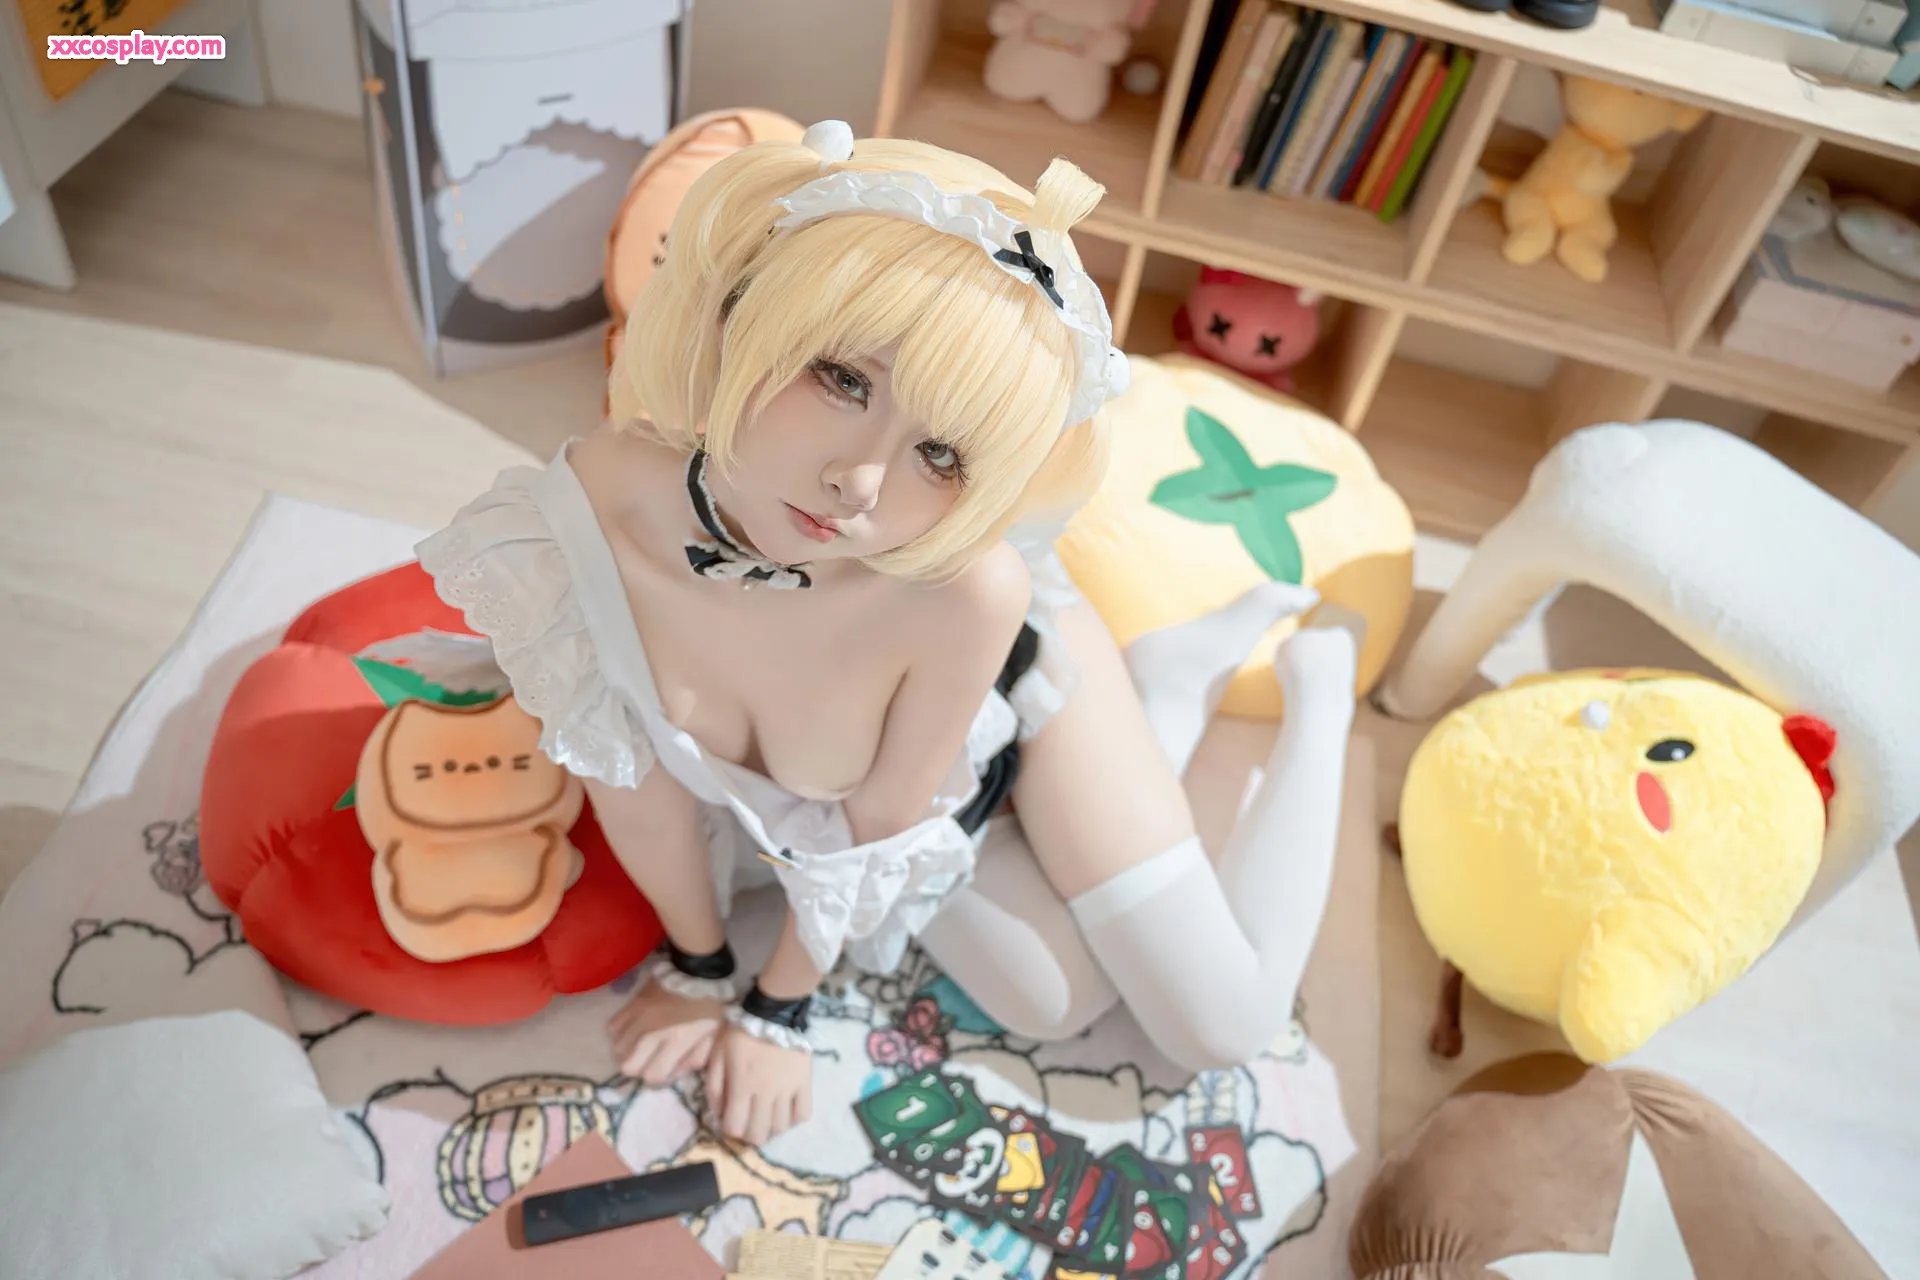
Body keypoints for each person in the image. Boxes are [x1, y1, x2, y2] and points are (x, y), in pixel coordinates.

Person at [416, 121, 1359, 1147]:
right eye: (843, 379)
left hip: (1032, 695)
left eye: (941, 454)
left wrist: (778, 1009)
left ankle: (1321, 683)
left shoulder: (968, 593)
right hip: (928, 776)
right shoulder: (593, 510)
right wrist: (700, 968)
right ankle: (1170, 686)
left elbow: (873, 835)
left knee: (1221, 1023)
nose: (859, 483)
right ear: (743, 318)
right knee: (1055, 1003)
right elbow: (634, 792)